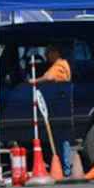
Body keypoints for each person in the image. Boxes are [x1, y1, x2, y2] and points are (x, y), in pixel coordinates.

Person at [30, 45, 72, 174]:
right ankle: (64, 166)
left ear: (55, 52)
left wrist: (34, 81)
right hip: (61, 105)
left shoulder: (59, 66)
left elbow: (49, 78)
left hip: (60, 106)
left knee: (62, 137)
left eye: (48, 53)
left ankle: (65, 169)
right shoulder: (62, 64)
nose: (46, 56)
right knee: (60, 137)